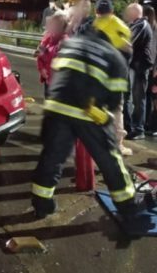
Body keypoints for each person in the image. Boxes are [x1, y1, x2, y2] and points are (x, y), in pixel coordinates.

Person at [30, 14, 139, 221]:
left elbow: (57, 73)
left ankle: (41, 204)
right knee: (110, 159)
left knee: (52, 158)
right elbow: (115, 101)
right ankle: (128, 206)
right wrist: (104, 118)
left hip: (56, 109)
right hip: (88, 113)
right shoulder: (114, 57)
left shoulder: (74, 43)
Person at [94, 0, 132, 155]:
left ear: (97, 12)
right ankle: (117, 145)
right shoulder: (121, 27)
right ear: (112, 11)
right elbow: (128, 52)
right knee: (116, 111)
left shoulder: (89, 26)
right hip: (116, 78)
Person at [124, 2, 154, 140]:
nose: (126, 14)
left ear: (135, 13)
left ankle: (138, 129)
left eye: (128, 12)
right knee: (133, 98)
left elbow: (128, 41)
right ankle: (132, 126)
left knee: (138, 99)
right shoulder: (137, 25)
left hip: (140, 67)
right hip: (136, 66)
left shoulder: (140, 25)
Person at [35, 11, 68, 98]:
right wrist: (41, 69)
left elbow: (54, 57)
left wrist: (43, 53)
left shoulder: (65, 42)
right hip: (48, 79)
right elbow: (40, 54)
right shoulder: (48, 38)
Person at [143, 5, 157, 136]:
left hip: (150, 67)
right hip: (151, 67)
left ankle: (148, 123)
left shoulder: (147, 28)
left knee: (149, 96)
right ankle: (148, 123)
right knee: (149, 97)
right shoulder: (152, 28)